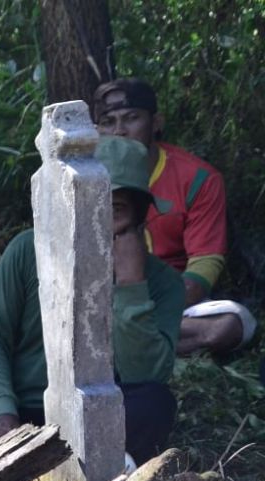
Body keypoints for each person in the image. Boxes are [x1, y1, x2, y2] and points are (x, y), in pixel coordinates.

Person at [0, 137, 184, 476]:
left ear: (139, 218)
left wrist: (131, 286)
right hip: (24, 416)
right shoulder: (27, 251)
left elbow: (146, 375)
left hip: (102, 416)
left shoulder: (163, 283)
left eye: (114, 209)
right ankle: (66, 469)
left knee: (156, 405)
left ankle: (27, 473)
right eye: (88, 204)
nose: (96, 220)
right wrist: (3, 415)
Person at [94, 78, 256, 355]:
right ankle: (136, 343)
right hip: (104, 301)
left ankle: (124, 344)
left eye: (132, 118)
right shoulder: (85, 179)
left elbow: (204, 266)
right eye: (109, 122)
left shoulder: (198, 178)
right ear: (97, 130)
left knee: (232, 325)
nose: (119, 131)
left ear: (156, 122)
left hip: (175, 300)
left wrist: (149, 313)